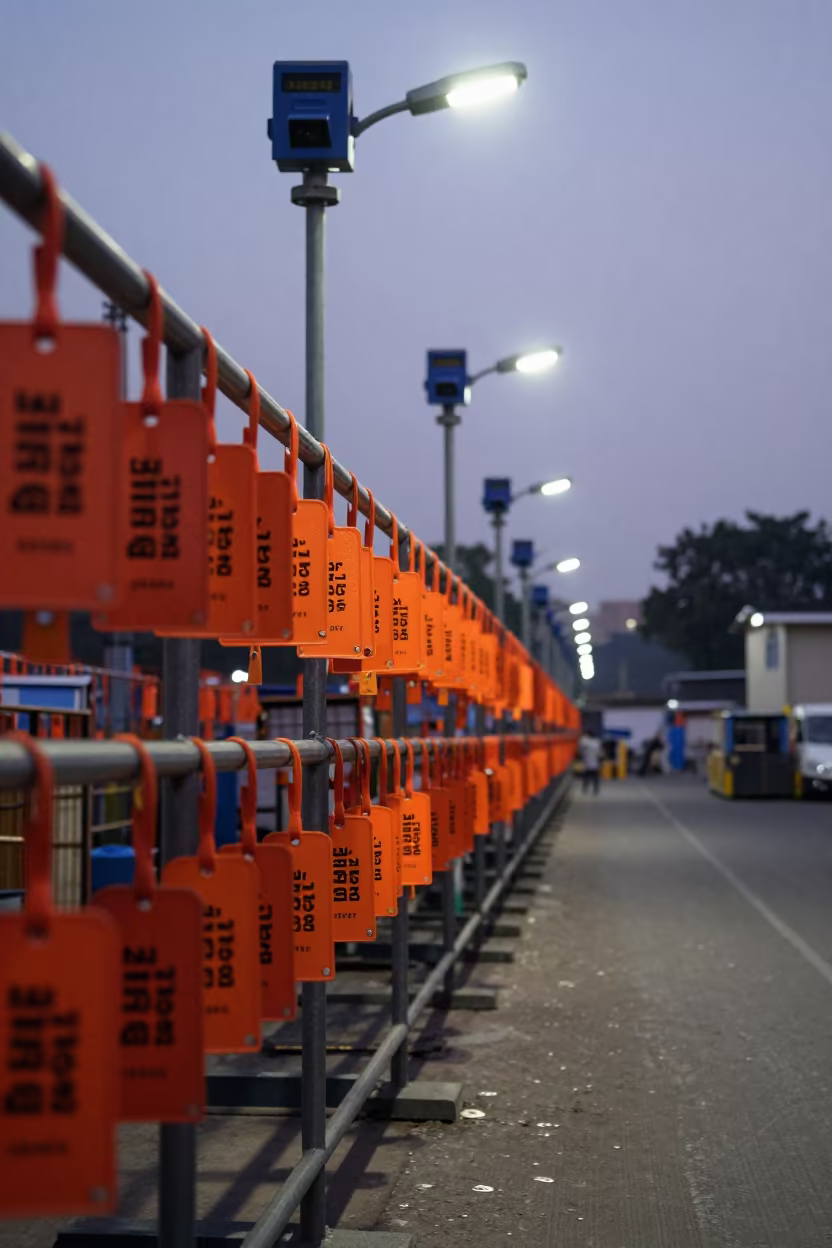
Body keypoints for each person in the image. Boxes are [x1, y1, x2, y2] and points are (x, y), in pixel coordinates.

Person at [578, 729, 602, 795]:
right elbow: (599, 753)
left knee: (586, 777)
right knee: (595, 778)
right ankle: (595, 790)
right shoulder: (596, 742)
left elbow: (581, 749)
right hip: (594, 763)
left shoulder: (585, 741)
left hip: (588, 762)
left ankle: (585, 789)